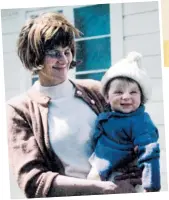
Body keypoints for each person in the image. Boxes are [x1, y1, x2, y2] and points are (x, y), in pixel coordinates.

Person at [6, 12, 142, 198]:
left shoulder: (97, 90)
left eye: (67, 51)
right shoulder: (20, 109)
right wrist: (99, 188)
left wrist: (129, 182)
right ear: (35, 55)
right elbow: (33, 181)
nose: (63, 59)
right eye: (53, 53)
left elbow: (131, 136)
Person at [87, 52, 161, 192]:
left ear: (142, 97)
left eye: (133, 92)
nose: (126, 97)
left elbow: (149, 152)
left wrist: (151, 185)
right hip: (102, 167)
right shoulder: (108, 116)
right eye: (119, 92)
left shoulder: (141, 122)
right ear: (107, 98)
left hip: (122, 174)